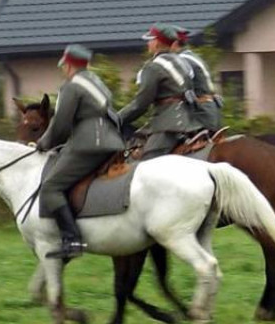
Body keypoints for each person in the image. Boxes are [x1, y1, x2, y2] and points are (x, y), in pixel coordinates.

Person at [35, 44, 126, 259]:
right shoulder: (98, 83)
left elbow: (61, 126)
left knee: (50, 188)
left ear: (68, 66)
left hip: (89, 145)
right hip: (113, 142)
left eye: (64, 66)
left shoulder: (71, 86)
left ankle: (72, 240)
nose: (63, 70)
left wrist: (43, 143)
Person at [119, 24, 205, 159]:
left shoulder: (153, 67)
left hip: (169, 124)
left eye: (150, 40)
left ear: (157, 42)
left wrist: (117, 118)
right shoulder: (183, 62)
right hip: (191, 120)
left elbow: (140, 104)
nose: (148, 43)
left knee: (147, 163)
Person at [172, 27, 224, 132]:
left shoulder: (182, 60)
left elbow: (182, 88)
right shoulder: (193, 56)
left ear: (174, 43)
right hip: (212, 108)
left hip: (201, 113)